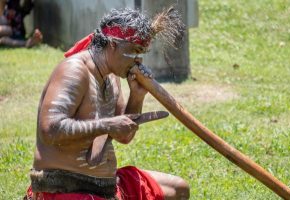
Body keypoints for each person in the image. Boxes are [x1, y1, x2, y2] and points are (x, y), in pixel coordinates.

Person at [25, 7, 189, 200]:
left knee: (178, 188)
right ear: (112, 44)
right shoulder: (75, 70)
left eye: (142, 52)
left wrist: (137, 96)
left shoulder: (112, 77)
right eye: (135, 51)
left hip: (105, 186)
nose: (138, 59)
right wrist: (107, 124)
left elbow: (124, 137)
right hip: (65, 189)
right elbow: (50, 130)